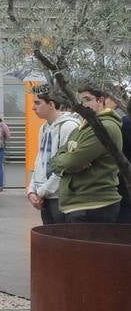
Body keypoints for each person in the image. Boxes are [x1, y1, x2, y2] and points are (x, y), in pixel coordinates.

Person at [49, 87, 126, 223]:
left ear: (101, 100)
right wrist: (62, 162)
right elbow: (55, 159)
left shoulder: (105, 127)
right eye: (80, 101)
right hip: (79, 204)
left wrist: (65, 161)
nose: (83, 105)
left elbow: (71, 162)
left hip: (94, 205)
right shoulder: (84, 127)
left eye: (87, 100)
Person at [26, 90, 80, 224]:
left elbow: (66, 165)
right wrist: (31, 189)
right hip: (44, 195)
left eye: (37, 103)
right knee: (49, 239)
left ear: (51, 104)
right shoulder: (44, 127)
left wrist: (42, 191)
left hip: (60, 196)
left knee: (61, 239)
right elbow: (40, 159)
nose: (33, 107)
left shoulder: (69, 126)